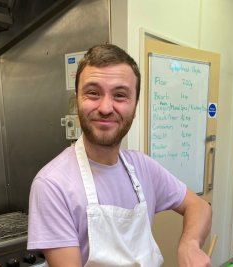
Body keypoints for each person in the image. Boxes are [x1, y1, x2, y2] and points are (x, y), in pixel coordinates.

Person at [27, 43, 212, 267]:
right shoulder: (52, 184)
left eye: (120, 95)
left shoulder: (143, 168)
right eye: (93, 93)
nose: (105, 107)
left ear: (135, 105)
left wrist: (189, 245)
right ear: (77, 99)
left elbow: (199, 206)